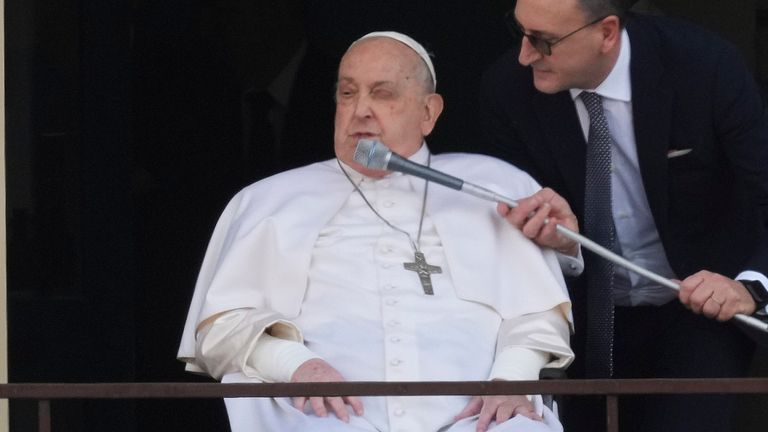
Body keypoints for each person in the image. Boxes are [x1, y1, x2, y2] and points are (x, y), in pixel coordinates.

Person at [178, 31, 581, 432]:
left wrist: (512, 380)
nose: (361, 111)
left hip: (480, 420)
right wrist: (297, 366)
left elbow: (538, 312)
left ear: (429, 112)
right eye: (348, 94)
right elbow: (220, 327)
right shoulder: (269, 200)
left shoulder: (494, 187)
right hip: (319, 418)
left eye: (383, 94)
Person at [479, 1, 768, 432]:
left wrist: (753, 286)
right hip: (580, 312)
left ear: (607, 32)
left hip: (700, 303)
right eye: (519, 31)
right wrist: (561, 241)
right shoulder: (508, 88)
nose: (525, 54)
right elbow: (504, 233)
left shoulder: (703, 66)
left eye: (544, 40)